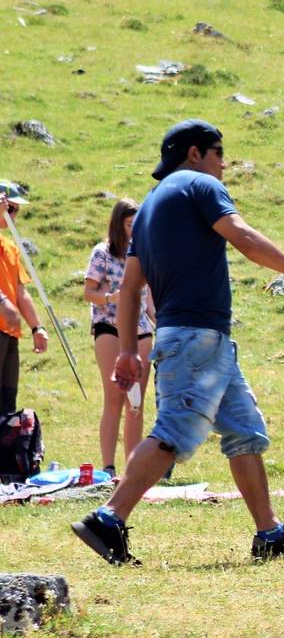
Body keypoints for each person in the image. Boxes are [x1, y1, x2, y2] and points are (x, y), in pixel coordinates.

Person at [71, 119, 284, 566]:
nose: (224, 165)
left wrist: (129, 349)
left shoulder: (149, 208)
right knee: (173, 432)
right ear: (195, 153)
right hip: (196, 338)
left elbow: (130, 289)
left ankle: (269, 533)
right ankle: (108, 518)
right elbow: (243, 237)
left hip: (193, 338)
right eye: (219, 153)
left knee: (245, 432)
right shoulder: (199, 186)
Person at [84, 199, 155, 476]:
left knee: (136, 402)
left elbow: (148, 300)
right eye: (129, 225)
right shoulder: (102, 253)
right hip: (109, 326)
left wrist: (162, 320)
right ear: (118, 225)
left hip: (140, 330)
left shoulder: (144, 254)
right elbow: (89, 292)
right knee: (114, 396)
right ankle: (108, 468)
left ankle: (133, 468)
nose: (134, 229)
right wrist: (112, 297)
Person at [0, 182, 48, 416]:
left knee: (7, 400)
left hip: (10, 334)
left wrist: (36, 327)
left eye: (15, 210)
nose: (13, 216)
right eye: (11, 208)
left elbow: (21, 292)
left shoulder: (10, 248)